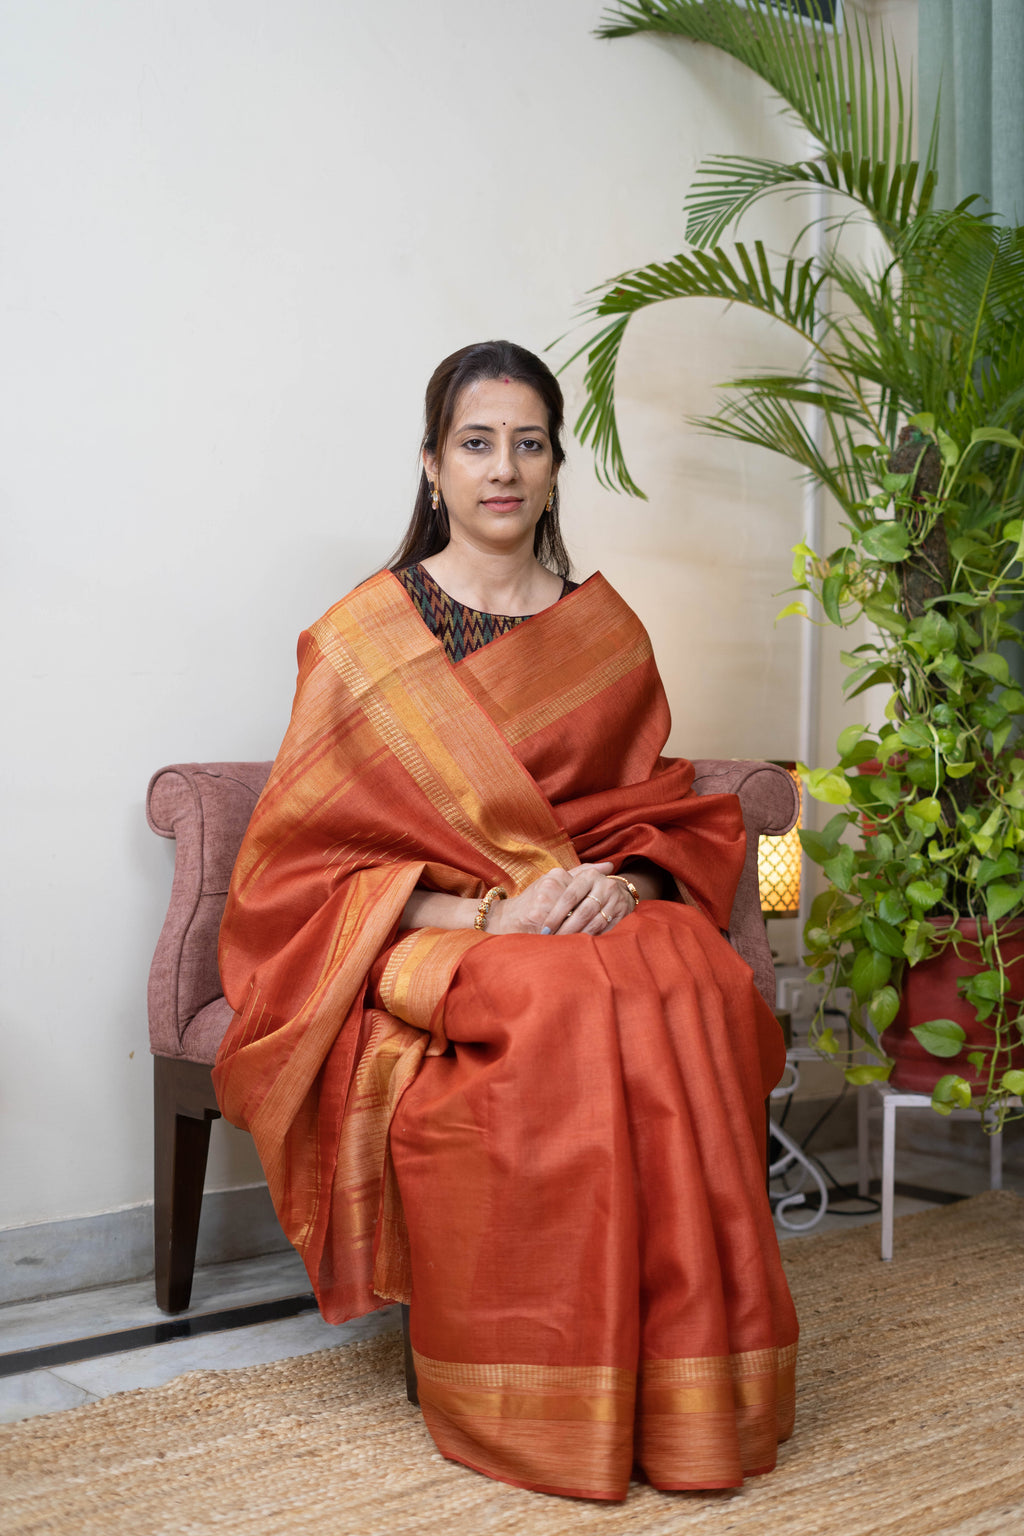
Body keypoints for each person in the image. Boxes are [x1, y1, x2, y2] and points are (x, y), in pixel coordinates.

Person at [214, 340, 798, 1503]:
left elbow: (654, 814)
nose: (502, 467)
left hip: (582, 905)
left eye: (527, 443)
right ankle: (528, 1390)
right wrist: (491, 910)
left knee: (684, 969)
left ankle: (680, 1387)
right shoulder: (363, 640)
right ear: (432, 466)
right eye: (476, 443)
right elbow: (298, 875)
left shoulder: (604, 634)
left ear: (554, 465)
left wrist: (616, 889)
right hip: (424, 929)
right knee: (552, 997)